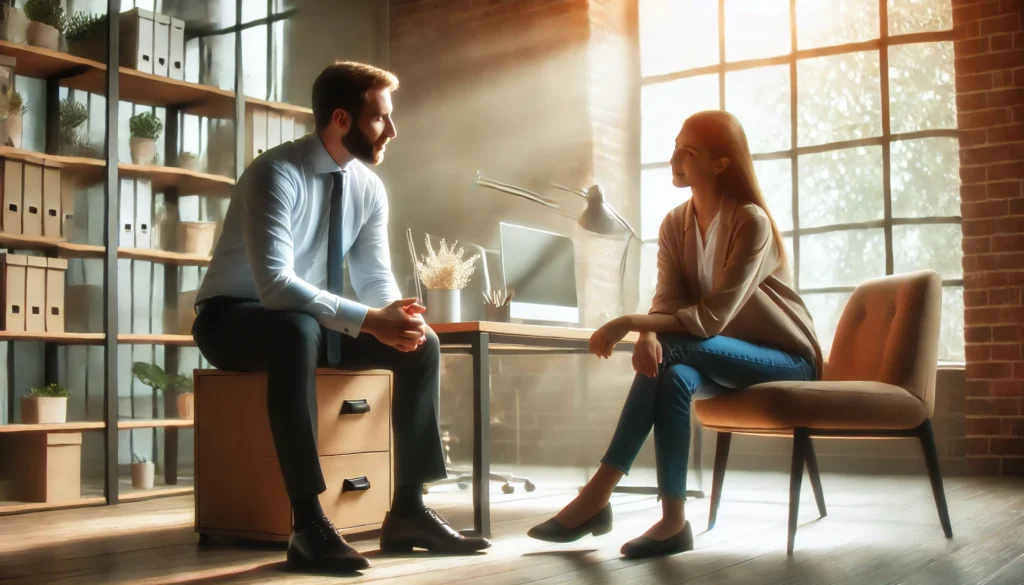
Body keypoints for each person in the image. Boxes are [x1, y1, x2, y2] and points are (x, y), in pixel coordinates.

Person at [192, 61, 490, 574]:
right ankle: (308, 524)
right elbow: (276, 286)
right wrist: (371, 320)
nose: (392, 130)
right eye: (380, 119)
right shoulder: (275, 174)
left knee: (423, 344)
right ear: (341, 119)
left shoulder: (369, 188)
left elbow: (374, 279)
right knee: (295, 326)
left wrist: (399, 316)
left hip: (310, 321)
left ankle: (409, 510)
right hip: (232, 319)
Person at [527, 110, 823, 559]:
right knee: (675, 376)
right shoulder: (674, 223)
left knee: (674, 355)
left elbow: (711, 319)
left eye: (690, 152)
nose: (674, 159)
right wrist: (648, 335)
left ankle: (596, 496)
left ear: (722, 163)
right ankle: (673, 521)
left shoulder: (750, 221)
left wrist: (631, 324)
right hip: (714, 353)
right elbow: (667, 299)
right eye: (675, 147)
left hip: (784, 358)